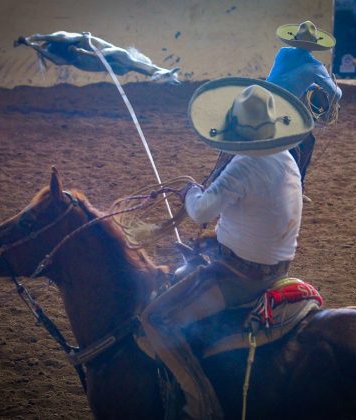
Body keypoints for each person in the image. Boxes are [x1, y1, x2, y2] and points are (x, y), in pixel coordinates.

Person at [140, 77, 312, 419]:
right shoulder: (287, 156)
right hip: (277, 266)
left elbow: (202, 210)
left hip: (241, 275)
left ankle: (201, 405)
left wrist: (190, 190)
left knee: (156, 319)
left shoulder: (244, 164)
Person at [267, 20, 342, 200]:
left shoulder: (282, 53)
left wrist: (308, 85)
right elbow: (336, 94)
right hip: (285, 109)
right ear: (315, 44)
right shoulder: (315, 66)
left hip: (264, 98)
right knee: (306, 142)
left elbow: (284, 79)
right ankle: (297, 188)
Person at [14, 31, 179, 83]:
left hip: (79, 57)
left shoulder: (125, 66)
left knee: (58, 61)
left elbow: (147, 69)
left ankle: (30, 44)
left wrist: (161, 74)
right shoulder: (122, 54)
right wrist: (84, 52)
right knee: (63, 38)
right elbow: (102, 53)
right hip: (81, 45)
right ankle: (36, 38)